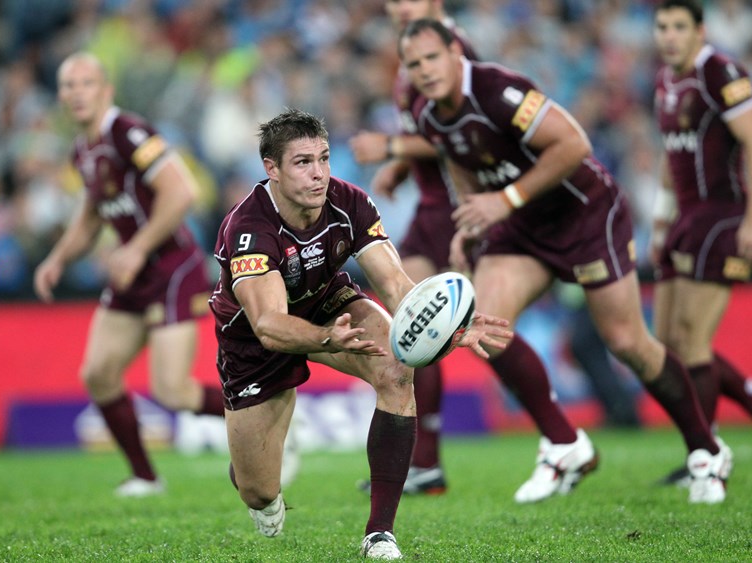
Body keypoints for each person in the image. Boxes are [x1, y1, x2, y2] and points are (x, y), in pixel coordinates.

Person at [399, 18, 732, 504]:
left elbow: (574, 144)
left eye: (432, 57)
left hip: (586, 214)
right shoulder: (428, 113)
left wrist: (504, 199)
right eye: (414, 64)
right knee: (486, 328)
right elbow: (459, 160)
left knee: (627, 343)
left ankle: (706, 451)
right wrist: (471, 223)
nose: (425, 70)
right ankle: (564, 443)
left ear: (455, 53)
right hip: (522, 225)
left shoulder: (498, 89)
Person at [209, 108, 511, 559]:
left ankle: (379, 533)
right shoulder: (249, 227)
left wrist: (450, 323)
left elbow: (396, 286)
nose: (319, 174)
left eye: (324, 158)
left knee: (396, 369)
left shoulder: (349, 202)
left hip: (328, 303)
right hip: (253, 338)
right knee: (259, 492)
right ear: (271, 169)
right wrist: (325, 339)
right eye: (303, 162)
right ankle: (254, 467)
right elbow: (269, 325)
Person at [351, 0, 596, 504]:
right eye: (393, 0)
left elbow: (472, 135)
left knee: (455, 320)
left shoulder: (452, 51)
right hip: (433, 206)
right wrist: (402, 165)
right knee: (413, 319)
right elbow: (436, 134)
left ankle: (554, 436)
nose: (400, 6)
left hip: (459, 205)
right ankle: (427, 461)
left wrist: (394, 149)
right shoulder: (411, 56)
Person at [34, 52, 224, 497]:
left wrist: (136, 248)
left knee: (172, 391)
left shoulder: (129, 131)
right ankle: (145, 476)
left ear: (106, 90)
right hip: (131, 274)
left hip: (172, 267)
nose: (77, 92)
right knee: (98, 374)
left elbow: (182, 191)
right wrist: (57, 259)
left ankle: (270, 416)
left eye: (86, 83)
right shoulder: (82, 149)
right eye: (68, 85)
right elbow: (91, 214)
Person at [651, 0, 752, 485]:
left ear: (700, 31)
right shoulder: (664, 81)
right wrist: (659, 222)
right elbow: (669, 155)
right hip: (684, 217)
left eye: (679, 27)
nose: (669, 36)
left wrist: (751, 220)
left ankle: (705, 456)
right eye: (662, 27)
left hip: (723, 214)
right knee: (667, 344)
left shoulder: (719, 72)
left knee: (692, 339)